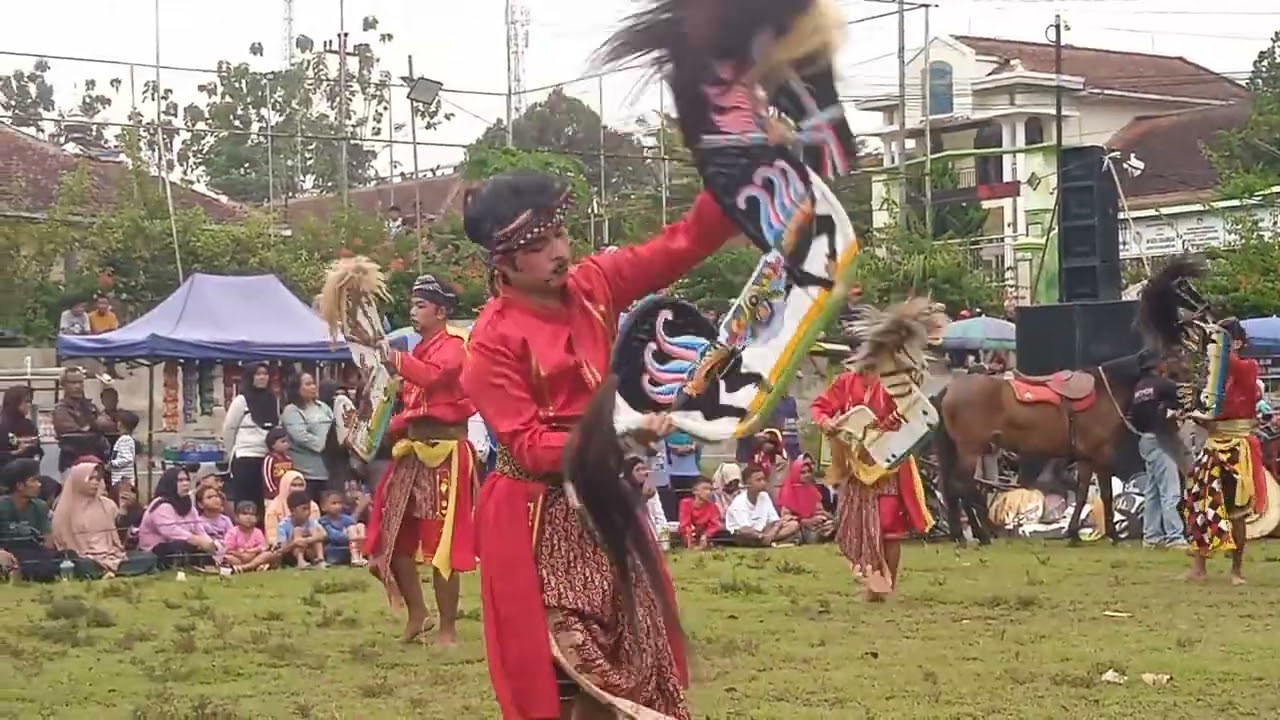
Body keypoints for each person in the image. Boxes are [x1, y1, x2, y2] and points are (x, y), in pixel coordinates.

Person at [460, 169, 737, 719]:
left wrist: (736, 187)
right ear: (504, 264)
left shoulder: (593, 287)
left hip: (604, 502)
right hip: (535, 515)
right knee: (566, 665)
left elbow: (678, 245)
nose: (560, 253)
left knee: (629, 654)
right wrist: (622, 433)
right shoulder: (490, 343)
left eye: (560, 235)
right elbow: (530, 446)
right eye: (538, 247)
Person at [365, 274, 477, 645]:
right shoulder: (418, 351)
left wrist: (393, 357)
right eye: (413, 305)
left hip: (445, 455)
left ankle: (448, 629)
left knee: (442, 543)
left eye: (421, 305)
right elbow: (412, 404)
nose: (413, 312)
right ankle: (418, 613)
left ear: (441, 312)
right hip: (412, 452)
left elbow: (433, 379)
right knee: (392, 535)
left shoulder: (455, 345)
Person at [812, 368, 934, 601]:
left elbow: (913, 406)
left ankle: (886, 587)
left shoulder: (894, 378)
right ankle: (873, 583)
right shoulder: (846, 381)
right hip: (856, 465)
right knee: (856, 527)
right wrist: (825, 421)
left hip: (890, 464)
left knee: (889, 527)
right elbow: (820, 406)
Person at [1185, 318, 1267, 584]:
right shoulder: (1212, 376)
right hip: (1213, 445)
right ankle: (1199, 567)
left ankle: (1236, 571)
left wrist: (1214, 340)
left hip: (1236, 447)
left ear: (1238, 343)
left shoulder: (1247, 368)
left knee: (1236, 510)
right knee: (1201, 504)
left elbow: (1228, 363)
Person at [51, 461, 157, 579]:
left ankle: (105, 572)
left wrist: (124, 513)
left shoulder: (107, 505)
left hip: (112, 556)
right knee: (80, 564)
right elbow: (63, 544)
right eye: (90, 479)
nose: (95, 482)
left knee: (148, 558)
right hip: (84, 558)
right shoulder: (65, 510)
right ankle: (104, 571)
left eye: (97, 479)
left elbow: (118, 539)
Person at [1129, 356, 1189, 549]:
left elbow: (1132, 417)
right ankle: (1174, 536)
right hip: (1162, 439)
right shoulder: (1163, 384)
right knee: (1170, 491)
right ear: (1157, 366)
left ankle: (1152, 536)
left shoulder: (1139, 388)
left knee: (1153, 491)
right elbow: (1184, 400)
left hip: (1145, 440)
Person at [136, 467, 218, 569]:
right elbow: (171, 532)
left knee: (204, 548)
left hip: (186, 542)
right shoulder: (161, 505)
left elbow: (198, 527)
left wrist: (209, 543)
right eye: (180, 480)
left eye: (187, 480)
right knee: (180, 545)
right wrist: (198, 541)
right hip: (155, 550)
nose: (185, 483)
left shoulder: (188, 505)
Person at [221, 363, 278, 508]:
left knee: (263, 504)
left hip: (267, 459)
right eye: (258, 374)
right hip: (245, 458)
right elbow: (229, 428)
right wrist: (231, 452)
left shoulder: (272, 399)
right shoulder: (241, 400)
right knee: (246, 503)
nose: (262, 377)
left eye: (265, 374)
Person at [0, 458, 60, 581]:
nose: (39, 484)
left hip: (35, 553)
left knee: (70, 557)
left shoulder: (40, 506)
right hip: (8, 553)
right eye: (34, 480)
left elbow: (48, 542)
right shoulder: (2, 507)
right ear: (20, 485)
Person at [280, 372, 334, 500]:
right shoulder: (292, 410)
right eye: (308, 384)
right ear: (297, 388)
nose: (313, 387)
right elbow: (300, 435)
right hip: (306, 472)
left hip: (328, 469)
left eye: (314, 383)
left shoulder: (323, 407)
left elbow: (334, 426)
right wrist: (324, 445)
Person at [725, 464, 800, 546]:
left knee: (793, 525)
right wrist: (761, 536)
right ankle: (770, 541)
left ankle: (767, 541)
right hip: (745, 535)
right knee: (744, 534)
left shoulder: (764, 496)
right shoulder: (739, 502)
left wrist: (772, 533)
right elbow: (745, 529)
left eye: (763, 479)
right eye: (758, 480)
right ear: (747, 484)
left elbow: (776, 521)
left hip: (763, 532)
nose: (763, 483)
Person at [51, 368, 110, 472]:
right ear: (64, 385)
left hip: (96, 459)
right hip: (73, 461)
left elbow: (107, 424)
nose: (78, 386)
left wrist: (92, 425)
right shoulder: (61, 409)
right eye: (73, 383)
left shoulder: (89, 406)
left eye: (80, 382)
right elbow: (70, 433)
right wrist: (93, 427)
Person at [777, 454, 836, 544]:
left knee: (829, 524)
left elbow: (820, 511)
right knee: (794, 527)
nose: (807, 475)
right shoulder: (787, 491)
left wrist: (826, 518)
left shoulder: (812, 490)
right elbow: (786, 517)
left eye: (809, 472)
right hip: (798, 527)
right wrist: (805, 521)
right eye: (803, 472)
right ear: (795, 472)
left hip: (814, 525)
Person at [276, 490, 327, 568]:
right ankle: (300, 561)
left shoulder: (311, 522)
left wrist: (306, 540)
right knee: (298, 531)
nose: (308, 512)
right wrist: (295, 543)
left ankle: (320, 560)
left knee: (315, 531)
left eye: (309, 509)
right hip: (291, 554)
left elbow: (324, 535)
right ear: (292, 511)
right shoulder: (283, 525)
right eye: (304, 509)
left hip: (308, 552)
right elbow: (282, 549)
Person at [264, 471, 319, 543]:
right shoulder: (273, 508)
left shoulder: (313, 506)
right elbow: (272, 537)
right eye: (294, 485)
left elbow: (316, 530)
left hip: (309, 542)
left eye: (301, 485)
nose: (297, 488)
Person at [223, 501, 275, 573]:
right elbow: (228, 550)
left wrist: (252, 552)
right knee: (227, 558)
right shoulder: (232, 532)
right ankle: (254, 567)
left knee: (268, 554)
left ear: (257, 518)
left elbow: (263, 547)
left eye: (252, 514)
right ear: (236, 517)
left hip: (254, 557)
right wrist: (241, 555)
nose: (248, 517)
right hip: (238, 558)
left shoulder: (258, 532)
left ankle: (245, 567)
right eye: (245, 514)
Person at [0, 386, 42, 472]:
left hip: (29, 472)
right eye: (26, 401)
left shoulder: (29, 425)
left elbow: (37, 450)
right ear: (15, 403)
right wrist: (15, 452)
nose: (29, 405)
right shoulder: (3, 425)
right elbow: (11, 444)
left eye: (30, 401)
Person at [318, 489, 365, 566]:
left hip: (348, 548)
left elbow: (355, 530)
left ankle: (359, 556)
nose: (338, 506)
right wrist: (348, 535)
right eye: (334, 503)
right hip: (333, 550)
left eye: (340, 503)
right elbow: (333, 536)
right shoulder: (323, 521)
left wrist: (354, 534)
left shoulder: (347, 519)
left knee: (360, 525)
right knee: (351, 530)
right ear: (323, 507)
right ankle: (355, 557)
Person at [677, 478, 723, 549]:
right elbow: (685, 524)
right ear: (695, 491)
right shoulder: (685, 503)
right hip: (688, 536)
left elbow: (714, 525)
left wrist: (706, 535)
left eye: (710, 490)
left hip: (704, 537)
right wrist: (690, 539)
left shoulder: (713, 507)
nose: (708, 492)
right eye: (705, 489)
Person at [107, 410, 139, 493]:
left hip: (123, 479)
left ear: (121, 424)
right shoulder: (124, 439)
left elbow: (127, 458)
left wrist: (112, 464)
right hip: (120, 479)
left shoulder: (125, 440)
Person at [261, 427, 294, 502]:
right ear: (272, 444)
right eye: (283, 441)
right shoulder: (270, 458)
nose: (286, 444)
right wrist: (273, 491)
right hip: (272, 497)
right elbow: (267, 477)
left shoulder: (289, 459)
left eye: (288, 442)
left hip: (287, 495)